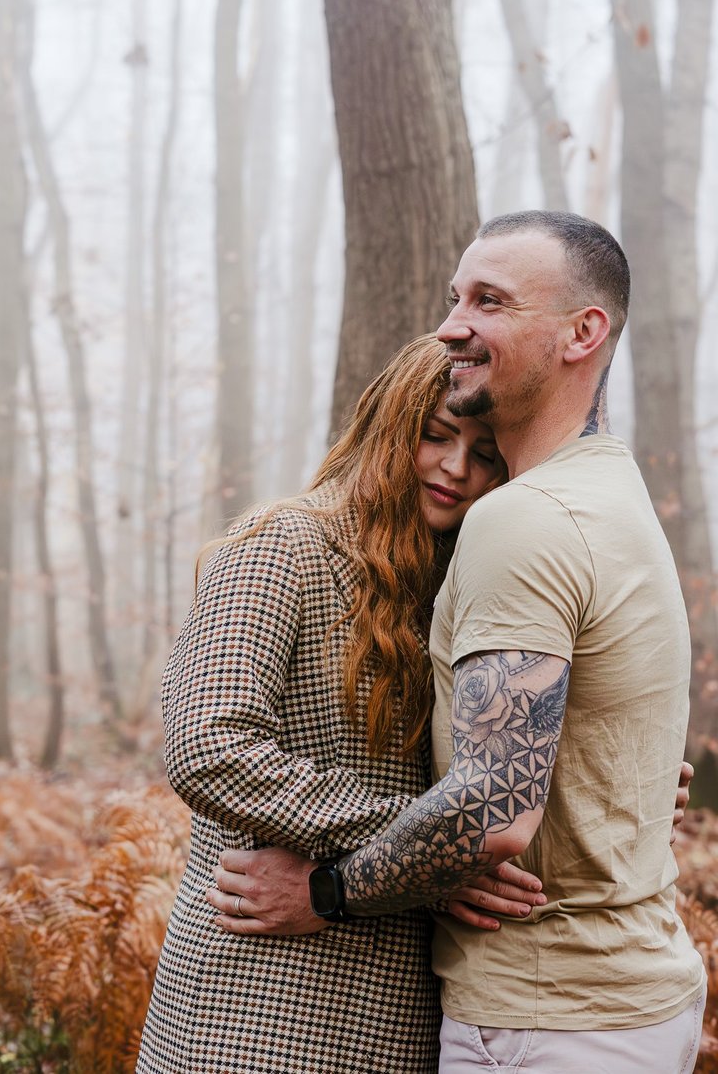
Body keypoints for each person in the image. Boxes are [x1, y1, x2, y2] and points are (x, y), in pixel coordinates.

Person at [213, 211, 705, 1074]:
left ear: (582, 332)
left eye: (490, 300)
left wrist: (324, 891)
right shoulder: (608, 489)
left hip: (547, 1020)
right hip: (610, 1002)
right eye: (455, 297)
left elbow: (489, 811)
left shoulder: (525, 521)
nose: (451, 325)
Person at [137, 335, 544, 1074]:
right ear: (392, 426)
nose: (457, 468)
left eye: (485, 455)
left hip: (398, 1005)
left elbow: (498, 762)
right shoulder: (279, 544)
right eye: (437, 436)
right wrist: (435, 841)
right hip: (253, 999)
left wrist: (622, 775)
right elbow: (209, 745)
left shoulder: (463, 588)